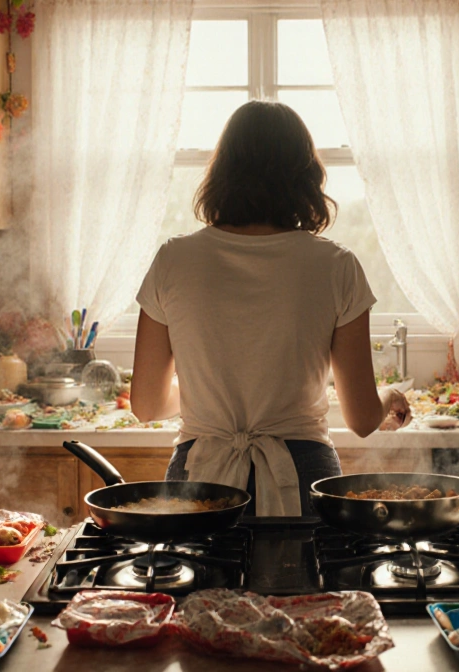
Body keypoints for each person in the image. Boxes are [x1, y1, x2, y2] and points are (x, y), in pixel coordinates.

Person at [131, 101, 411, 517]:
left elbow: (146, 405)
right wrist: (390, 397)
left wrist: (204, 396)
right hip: (300, 476)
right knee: (306, 584)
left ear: (221, 172)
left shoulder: (174, 260)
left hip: (201, 482)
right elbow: (362, 418)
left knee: (204, 584)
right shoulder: (336, 266)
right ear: (305, 176)